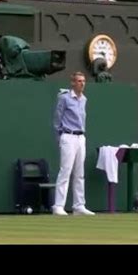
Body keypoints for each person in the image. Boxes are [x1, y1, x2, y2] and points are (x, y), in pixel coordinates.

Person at [52, 71, 95, 216]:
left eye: (83, 81)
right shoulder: (64, 98)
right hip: (68, 136)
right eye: (79, 81)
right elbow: (57, 119)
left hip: (80, 137)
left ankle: (78, 205)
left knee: (79, 173)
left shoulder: (84, 99)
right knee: (65, 171)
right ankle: (58, 205)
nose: (82, 83)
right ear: (72, 83)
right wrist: (61, 138)